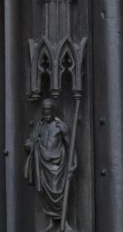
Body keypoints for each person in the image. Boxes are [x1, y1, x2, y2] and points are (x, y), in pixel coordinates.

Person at [24, 97, 74, 231]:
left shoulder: (61, 127)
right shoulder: (39, 127)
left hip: (57, 166)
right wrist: (29, 145)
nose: (46, 114)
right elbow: (32, 141)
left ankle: (65, 222)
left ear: (52, 111)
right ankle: (52, 222)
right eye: (44, 112)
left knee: (59, 192)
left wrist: (73, 162)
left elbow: (70, 145)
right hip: (43, 165)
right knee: (46, 195)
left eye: (48, 112)